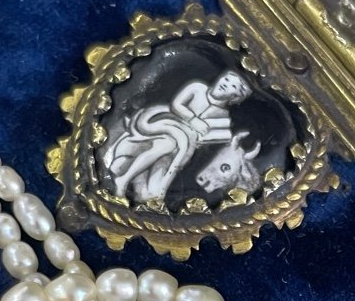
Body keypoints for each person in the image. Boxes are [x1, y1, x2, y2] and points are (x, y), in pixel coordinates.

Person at [102, 69, 253, 202]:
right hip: (162, 123)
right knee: (167, 144)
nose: (225, 84)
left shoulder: (223, 117)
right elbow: (176, 105)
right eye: (226, 79)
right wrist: (193, 120)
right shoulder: (197, 88)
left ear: (234, 97)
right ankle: (123, 180)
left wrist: (195, 138)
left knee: (152, 191)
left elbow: (205, 140)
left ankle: (137, 188)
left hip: (180, 148)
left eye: (233, 86)